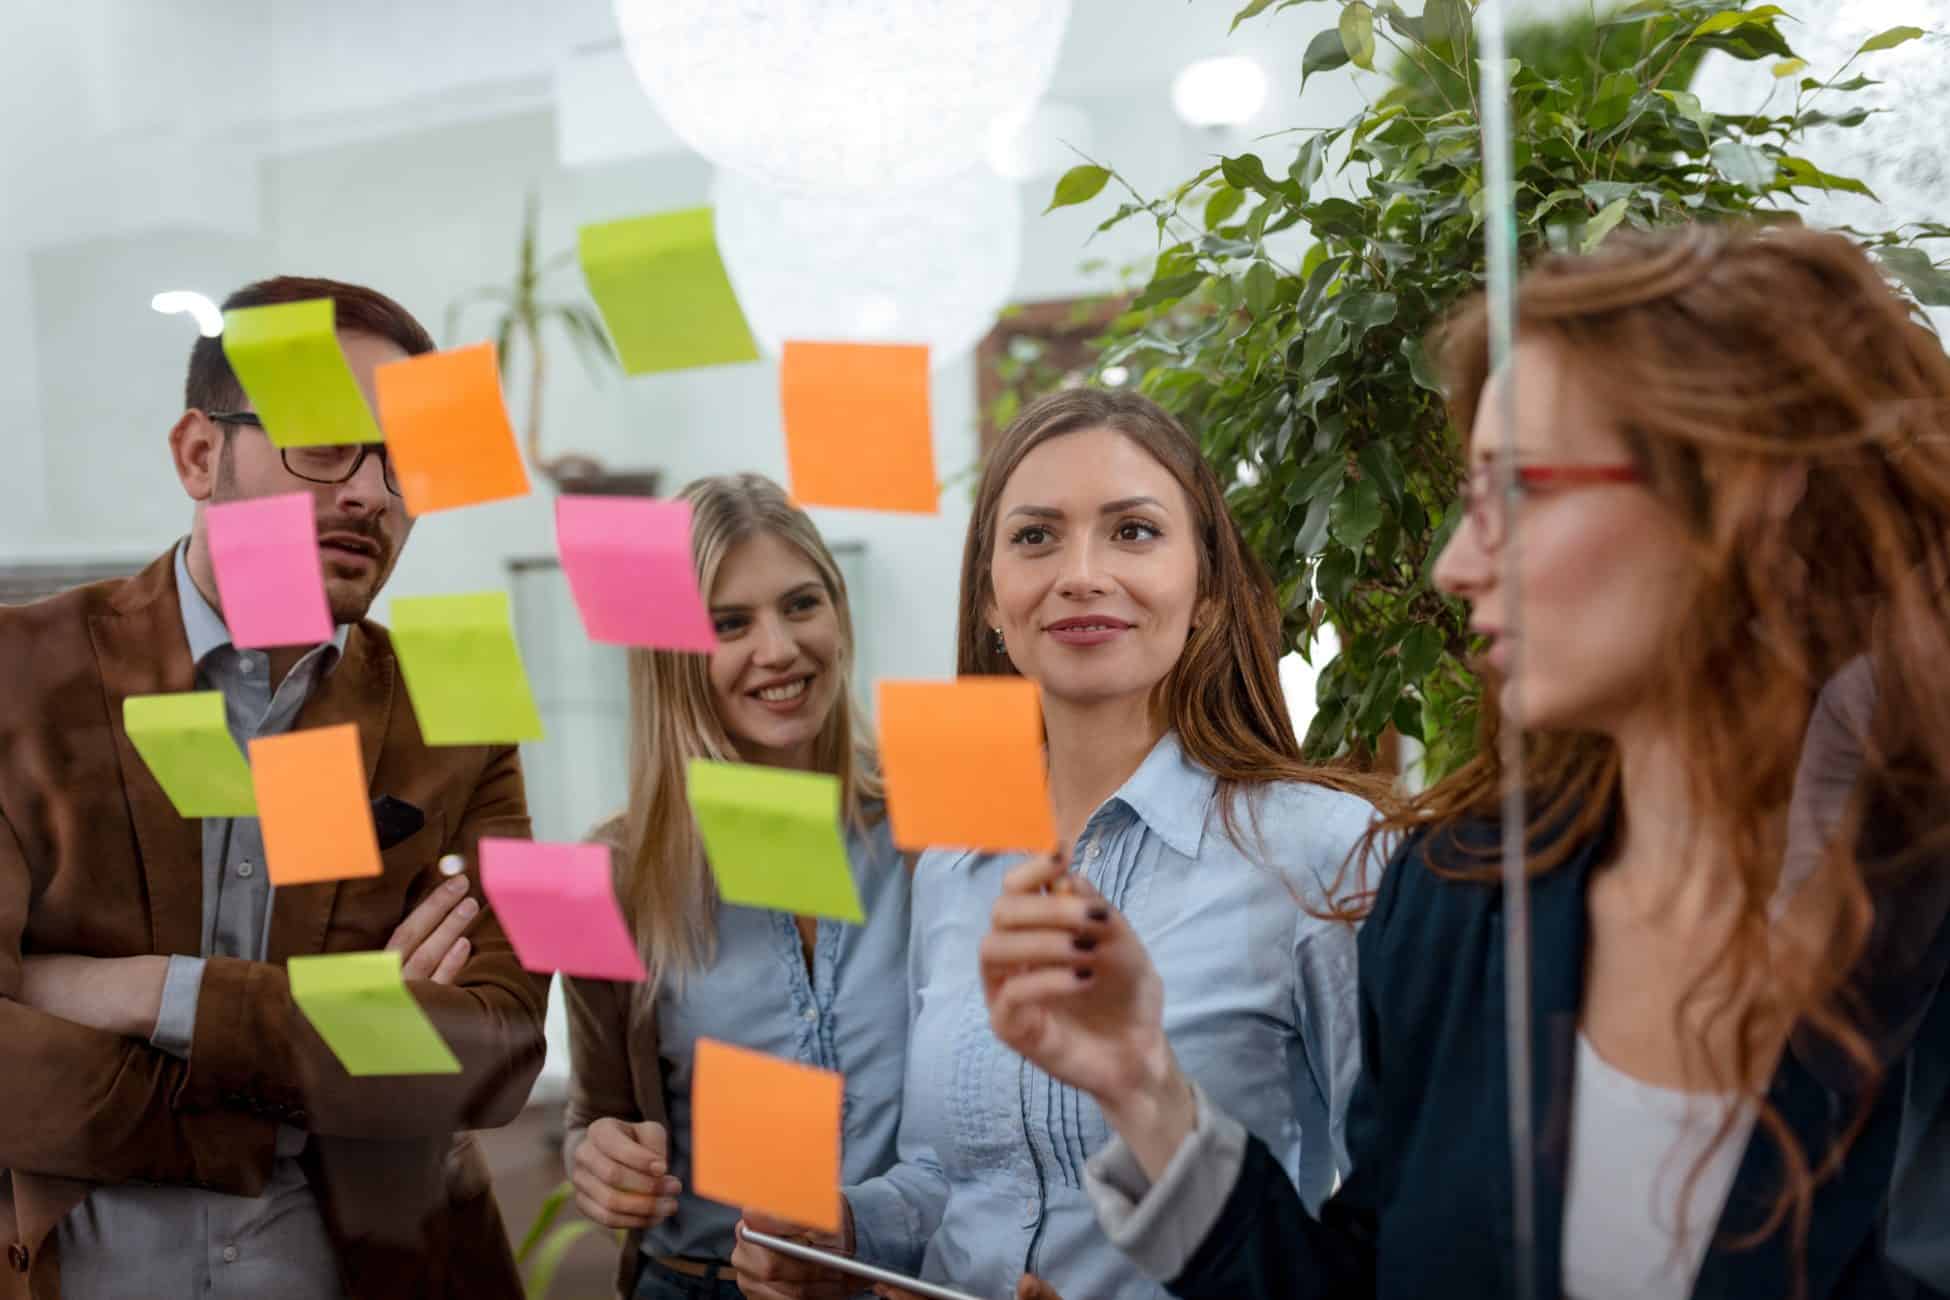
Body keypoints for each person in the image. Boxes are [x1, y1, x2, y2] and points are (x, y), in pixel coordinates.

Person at [978, 224, 1950, 1299]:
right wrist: (1144, 1087)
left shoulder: (1918, 927)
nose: (1453, 562)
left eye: (1520, 488)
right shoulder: (1457, 907)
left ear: (1744, 489)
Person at [731, 389, 1388, 1300]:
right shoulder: (953, 864)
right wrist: (845, 1233)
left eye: (1134, 532)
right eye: (1036, 537)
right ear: (993, 602)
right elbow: (947, 1180)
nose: (1081, 573)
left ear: (1205, 593)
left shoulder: (1326, 854)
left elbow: (1398, 1222)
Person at [0, 276, 550, 1300]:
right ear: (200, 454)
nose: (372, 495)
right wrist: (328, 1062)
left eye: (403, 463)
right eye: (327, 440)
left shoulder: (454, 704)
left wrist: (144, 991)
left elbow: (501, 1048)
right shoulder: (21, 676)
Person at [563, 473, 910, 1300]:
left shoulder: (926, 835)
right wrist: (599, 1158)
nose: (780, 648)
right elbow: (596, 1113)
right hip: (700, 1283)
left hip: (898, 1280)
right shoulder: (615, 876)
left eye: (801, 604)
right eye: (729, 624)